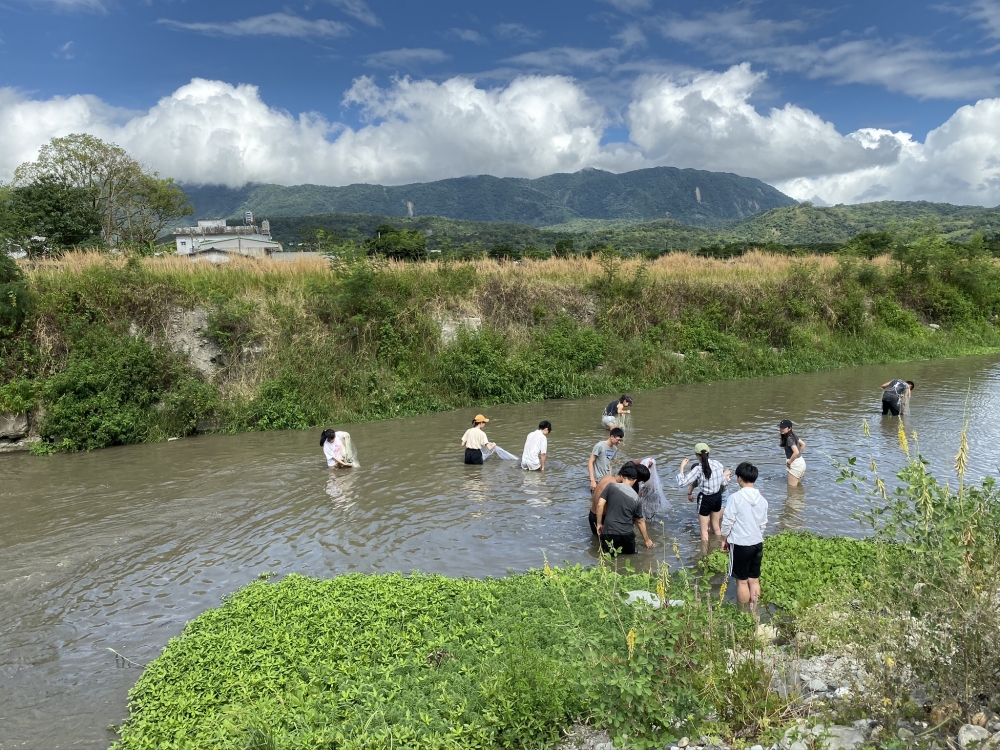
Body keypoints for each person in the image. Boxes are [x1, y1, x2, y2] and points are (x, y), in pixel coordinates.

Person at [721, 462, 769, 609]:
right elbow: (763, 524)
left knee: (741, 581)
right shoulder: (763, 500)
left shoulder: (735, 498)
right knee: (754, 580)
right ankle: (754, 611)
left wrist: (724, 538)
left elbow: (728, 521)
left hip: (740, 544)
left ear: (739, 478)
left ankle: (742, 612)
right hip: (757, 543)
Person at [595, 463, 654, 555]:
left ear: (622, 477)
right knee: (631, 558)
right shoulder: (636, 498)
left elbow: (599, 505)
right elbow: (640, 521)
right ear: (635, 480)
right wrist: (647, 540)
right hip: (626, 534)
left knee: (608, 558)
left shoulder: (611, 486)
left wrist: (599, 524)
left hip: (609, 532)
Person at [677, 443, 730, 543]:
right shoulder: (718, 464)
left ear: (697, 455)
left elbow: (682, 483)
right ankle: (721, 546)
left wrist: (682, 467)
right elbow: (723, 482)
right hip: (717, 497)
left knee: (704, 531)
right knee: (716, 527)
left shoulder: (698, 469)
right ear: (709, 453)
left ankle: (705, 556)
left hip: (705, 499)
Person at [589, 461, 651, 535]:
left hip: (592, 515)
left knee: (597, 541)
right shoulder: (614, 487)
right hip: (601, 517)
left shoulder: (607, 476)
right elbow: (602, 505)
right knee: (606, 543)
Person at [779, 420, 806, 486]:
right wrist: (799, 454)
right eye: (781, 427)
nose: (781, 429)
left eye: (784, 428)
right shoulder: (793, 435)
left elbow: (796, 452)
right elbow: (803, 444)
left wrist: (789, 462)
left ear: (789, 428)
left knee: (792, 491)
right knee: (798, 488)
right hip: (801, 463)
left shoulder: (789, 438)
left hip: (795, 465)